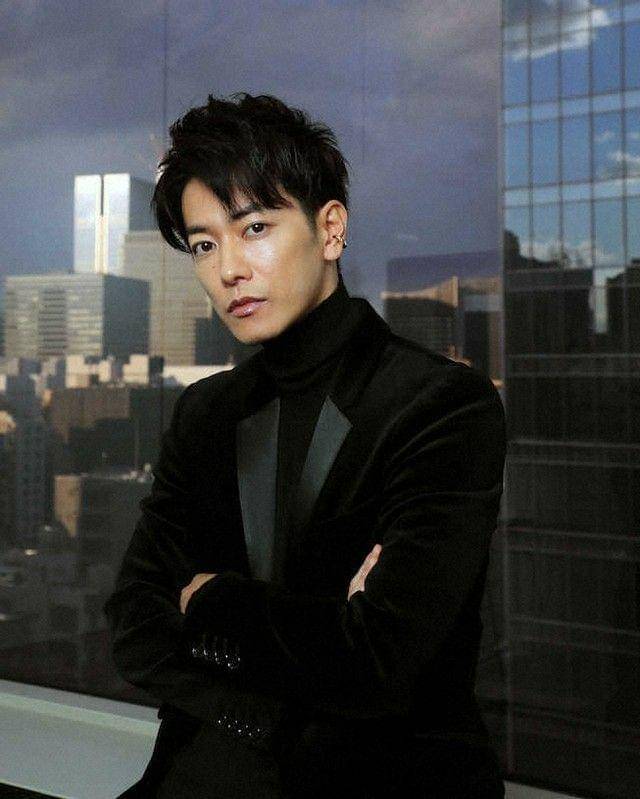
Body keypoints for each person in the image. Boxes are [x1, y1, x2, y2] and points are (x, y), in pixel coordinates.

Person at [103, 92, 507, 798]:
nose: (228, 269)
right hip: (204, 777)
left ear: (330, 229)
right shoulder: (205, 413)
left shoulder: (441, 404)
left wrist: (213, 600)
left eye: (254, 227)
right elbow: (135, 624)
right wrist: (292, 679)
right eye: (203, 244)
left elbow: (380, 661)